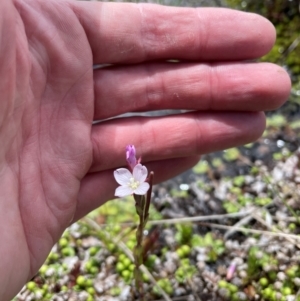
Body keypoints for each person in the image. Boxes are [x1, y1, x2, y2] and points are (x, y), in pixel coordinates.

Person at [0, 0, 291, 300]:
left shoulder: (135, 179)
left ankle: (140, 280)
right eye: (134, 179)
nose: (134, 181)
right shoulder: (130, 182)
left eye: (135, 179)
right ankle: (139, 280)